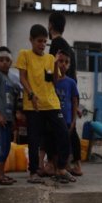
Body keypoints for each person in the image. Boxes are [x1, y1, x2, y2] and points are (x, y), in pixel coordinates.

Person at [16, 24, 74, 184]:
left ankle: (61, 168)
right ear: (31, 40)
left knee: (63, 132)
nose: (42, 45)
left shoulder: (49, 58)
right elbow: (22, 78)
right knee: (34, 139)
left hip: (52, 103)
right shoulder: (24, 55)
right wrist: (31, 94)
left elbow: (54, 80)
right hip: (33, 105)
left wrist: (55, 63)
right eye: (39, 41)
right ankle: (33, 171)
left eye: (44, 41)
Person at [0, 46, 21, 185]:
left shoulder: (11, 80)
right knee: (0, 146)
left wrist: (13, 119)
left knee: (6, 147)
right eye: (1, 60)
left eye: (7, 60)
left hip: (7, 119)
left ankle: (2, 173)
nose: (4, 62)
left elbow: (13, 102)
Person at [54, 49, 83, 176]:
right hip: (54, 118)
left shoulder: (71, 82)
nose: (63, 64)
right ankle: (56, 166)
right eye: (60, 61)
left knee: (70, 141)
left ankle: (72, 165)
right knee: (55, 142)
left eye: (66, 62)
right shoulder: (52, 81)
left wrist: (73, 120)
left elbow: (74, 101)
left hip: (67, 119)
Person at [48, 11, 77, 81]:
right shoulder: (70, 50)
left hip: (60, 89)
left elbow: (51, 71)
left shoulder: (55, 45)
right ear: (63, 29)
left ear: (50, 25)